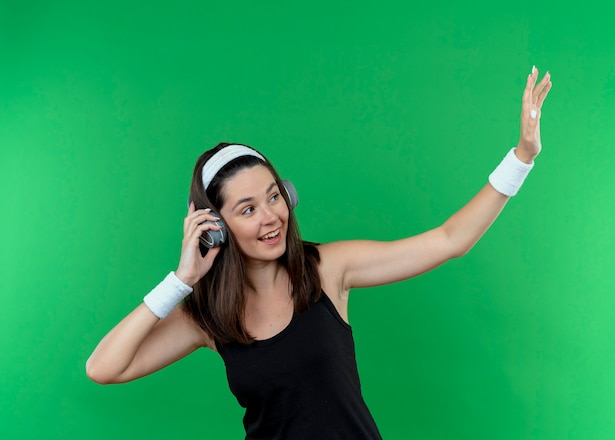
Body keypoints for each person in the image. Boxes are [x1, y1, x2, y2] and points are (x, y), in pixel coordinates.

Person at [86, 67, 552, 439]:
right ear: (215, 226)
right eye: (247, 208)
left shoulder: (328, 268)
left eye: (273, 196)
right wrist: (182, 280)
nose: (271, 217)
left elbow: (451, 240)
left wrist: (522, 157)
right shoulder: (208, 317)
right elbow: (103, 368)